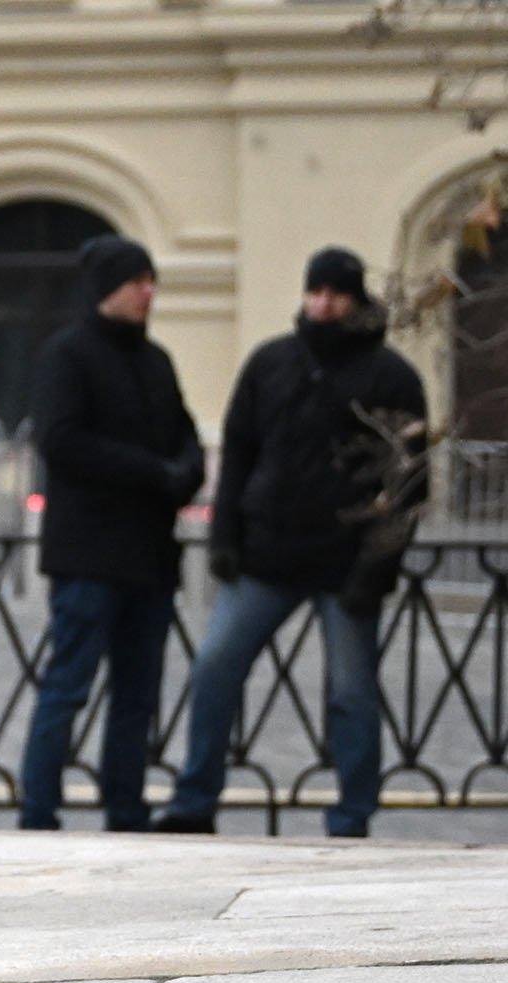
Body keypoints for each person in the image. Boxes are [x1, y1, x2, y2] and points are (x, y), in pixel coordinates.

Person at [154, 247, 428, 838]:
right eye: (316, 290)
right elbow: (240, 451)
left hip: (348, 561)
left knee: (352, 694)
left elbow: (407, 483)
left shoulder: (392, 376)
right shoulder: (271, 363)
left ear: (355, 299)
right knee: (215, 669)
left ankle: (352, 815)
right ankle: (194, 800)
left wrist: (374, 571)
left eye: (336, 292)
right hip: (266, 553)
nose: (323, 302)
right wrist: (224, 533)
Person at [17, 234, 206, 831]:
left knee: (137, 696)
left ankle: (126, 807)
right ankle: (38, 810)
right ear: (108, 290)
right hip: (88, 556)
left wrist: (187, 471)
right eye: (138, 282)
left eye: (152, 281)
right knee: (67, 687)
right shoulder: (67, 355)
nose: (149, 292)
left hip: (148, 557)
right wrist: (156, 472)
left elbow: (184, 431)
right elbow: (63, 441)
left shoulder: (155, 360)